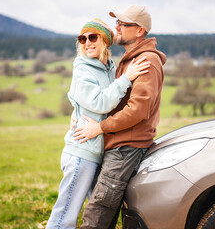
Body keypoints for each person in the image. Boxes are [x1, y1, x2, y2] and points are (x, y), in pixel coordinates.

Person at [46, 18, 150, 229]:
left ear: (105, 41)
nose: (87, 43)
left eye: (93, 37)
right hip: (81, 154)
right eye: (82, 39)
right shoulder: (83, 69)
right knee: (64, 216)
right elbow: (99, 102)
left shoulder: (107, 68)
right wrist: (126, 78)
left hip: (96, 154)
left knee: (98, 212)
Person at [73, 5, 166, 229]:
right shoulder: (129, 59)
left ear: (140, 30)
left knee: (97, 213)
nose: (117, 28)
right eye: (117, 23)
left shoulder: (146, 61)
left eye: (123, 24)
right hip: (119, 144)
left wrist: (101, 127)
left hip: (126, 147)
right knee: (104, 213)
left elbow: (137, 110)